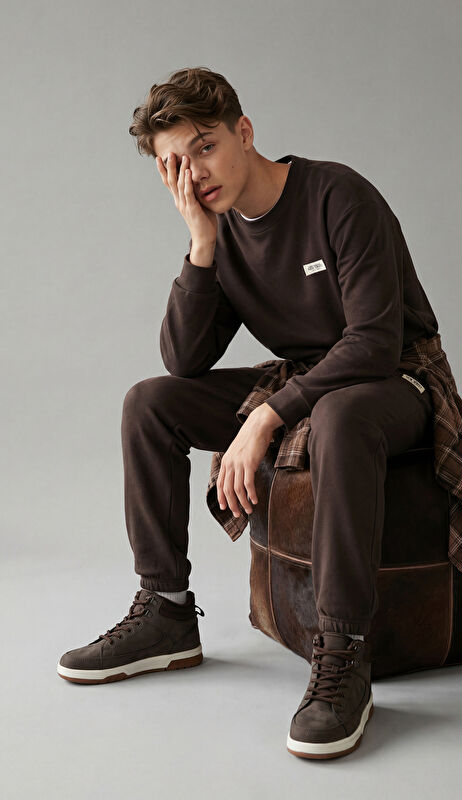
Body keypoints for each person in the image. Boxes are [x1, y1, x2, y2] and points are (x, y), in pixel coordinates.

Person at [57, 66, 440, 760]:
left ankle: (344, 651)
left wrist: (266, 418)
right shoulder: (222, 230)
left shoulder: (337, 195)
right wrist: (201, 245)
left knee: (339, 417)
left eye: (205, 147)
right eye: (175, 163)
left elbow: (374, 344)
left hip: (398, 381)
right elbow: (183, 360)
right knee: (150, 403)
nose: (195, 172)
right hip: (308, 383)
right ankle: (167, 611)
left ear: (245, 131)